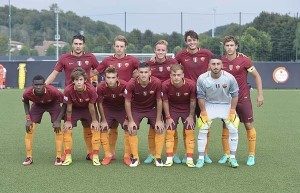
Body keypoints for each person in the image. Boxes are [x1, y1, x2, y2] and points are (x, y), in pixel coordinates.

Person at [45, 34, 100, 161]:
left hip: (87, 97)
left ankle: (90, 153)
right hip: (69, 98)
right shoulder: (64, 58)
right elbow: (54, 74)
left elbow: (100, 69)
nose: (78, 46)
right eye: (76, 44)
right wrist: (44, 86)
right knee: (67, 125)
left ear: (84, 45)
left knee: (88, 125)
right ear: (72, 44)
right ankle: (66, 153)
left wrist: (88, 75)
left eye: (80, 44)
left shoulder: (90, 57)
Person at [219, 35, 264, 166]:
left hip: (243, 98)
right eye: (227, 45)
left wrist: (260, 94)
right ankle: (226, 154)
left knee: (248, 125)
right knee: (226, 125)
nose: (229, 48)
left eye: (231, 45)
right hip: (227, 100)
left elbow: (257, 76)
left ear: (236, 46)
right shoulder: (221, 61)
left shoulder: (244, 60)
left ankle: (251, 155)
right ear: (224, 47)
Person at [96, 35, 140, 161]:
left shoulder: (132, 60)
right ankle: (110, 154)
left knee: (127, 127)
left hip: (125, 100)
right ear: (114, 47)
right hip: (110, 100)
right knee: (112, 127)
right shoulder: (106, 61)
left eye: (121, 46)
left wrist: (133, 79)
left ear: (125, 47)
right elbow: (95, 72)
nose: (119, 49)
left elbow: (144, 69)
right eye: (117, 46)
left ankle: (127, 155)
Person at [175, 30, 214, 164]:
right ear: (186, 42)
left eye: (194, 40)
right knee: (188, 126)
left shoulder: (206, 54)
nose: (192, 42)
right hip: (188, 95)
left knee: (205, 125)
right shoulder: (181, 55)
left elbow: (219, 61)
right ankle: (188, 153)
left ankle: (205, 153)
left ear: (197, 41)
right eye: (189, 40)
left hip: (204, 94)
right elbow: (173, 66)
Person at [196, 55, 240, 168]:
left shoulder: (229, 78)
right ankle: (201, 158)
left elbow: (235, 95)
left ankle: (232, 158)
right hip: (209, 105)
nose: (216, 66)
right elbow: (200, 97)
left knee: (233, 129)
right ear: (209, 65)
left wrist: (232, 110)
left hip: (226, 104)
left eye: (218, 64)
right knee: (203, 128)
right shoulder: (202, 78)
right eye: (213, 64)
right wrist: (203, 112)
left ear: (222, 65)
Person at [144, 40, 181, 164]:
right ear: (155, 51)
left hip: (169, 99)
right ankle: (152, 153)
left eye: (163, 50)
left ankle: (174, 153)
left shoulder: (172, 62)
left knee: (172, 126)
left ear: (166, 51)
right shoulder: (149, 63)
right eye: (158, 50)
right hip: (153, 100)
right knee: (153, 126)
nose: (160, 52)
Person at [124, 62, 164, 167]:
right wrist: (130, 120)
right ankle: (135, 158)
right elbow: (127, 102)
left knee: (159, 128)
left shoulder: (157, 82)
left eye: (146, 72)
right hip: (137, 109)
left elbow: (159, 100)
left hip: (152, 109)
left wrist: (159, 119)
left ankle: (158, 158)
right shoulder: (131, 83)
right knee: (132, 129)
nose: (143, 75)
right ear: (137, 73)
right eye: (141, 72)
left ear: (150, 73)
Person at [61, 67, 100, 166]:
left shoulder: (91, 90)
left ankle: (94, 156)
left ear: (85, 80)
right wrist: (68, 121)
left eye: (81, 80)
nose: (79, 82)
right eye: (76, 80)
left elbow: (92, 106)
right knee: (67, 129)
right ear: (73, 81)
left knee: (95, 128)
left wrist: (95, 120)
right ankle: (68, 156)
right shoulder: (68, 90)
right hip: (74, 109)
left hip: (87, 109)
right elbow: (68, 107)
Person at [22, 75, 64, 166]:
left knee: (57, 128)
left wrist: (58, 120)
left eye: (40, 85)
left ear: (44, 85)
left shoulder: (53, 91)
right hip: (38, 105)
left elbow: (64, 103)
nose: (38, 87)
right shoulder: (27, 93)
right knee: (30, 128)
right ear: (32, 85)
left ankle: (59, 156)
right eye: (36, 85)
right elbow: (25, 102)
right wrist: (28, 118)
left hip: (53, 104)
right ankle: (29, 156)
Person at [162, 64, 196, 167]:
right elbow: (165, 102)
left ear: (183, 75)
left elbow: (193, 101)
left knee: (189, 130)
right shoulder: (165, 85)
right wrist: (167, 117)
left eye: (178, 75)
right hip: (172, 108)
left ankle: (189, 158)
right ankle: (169, 158)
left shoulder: (191, 84)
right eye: (174, 75)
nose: (176, 77)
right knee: (169, 130)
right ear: (170, 75)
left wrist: (191, 116)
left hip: (186, 108)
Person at [97, 67, 131, 166]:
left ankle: (127, 156)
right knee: (103, 128)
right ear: (104, 77)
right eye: (108, 77)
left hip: (121, 109)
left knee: (128, 128)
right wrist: (103, 120)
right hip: (108, 109)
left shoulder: (125, 85)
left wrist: (127, 119)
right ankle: (108, 155)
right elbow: (99, 104)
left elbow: (128, 102)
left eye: (113, 77)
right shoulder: (100, 87)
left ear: (117, 78)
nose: (111, 80)